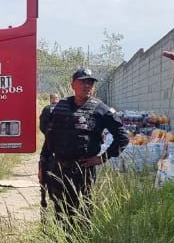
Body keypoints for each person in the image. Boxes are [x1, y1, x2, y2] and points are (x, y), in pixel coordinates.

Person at [41, 68, 129, 227]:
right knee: (61, 211)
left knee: (85, 211)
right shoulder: (58, 107)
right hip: (58, 168)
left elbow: (122, 137)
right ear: (73, 84)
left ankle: (82, 240)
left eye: (90, 82)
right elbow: (49, 137)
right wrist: (43, 163)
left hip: (83, 170)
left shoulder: (101, 109)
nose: (87, 85)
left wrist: (102, 158)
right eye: (83, 82)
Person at [38, 92, 61, 210]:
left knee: (43, 162)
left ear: (51, 99)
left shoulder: (47, 109)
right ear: (58, 99)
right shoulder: (64, 107)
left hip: (48, 143)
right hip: (62, 144)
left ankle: (43, 193)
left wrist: (49, 136)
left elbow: (42, 126)